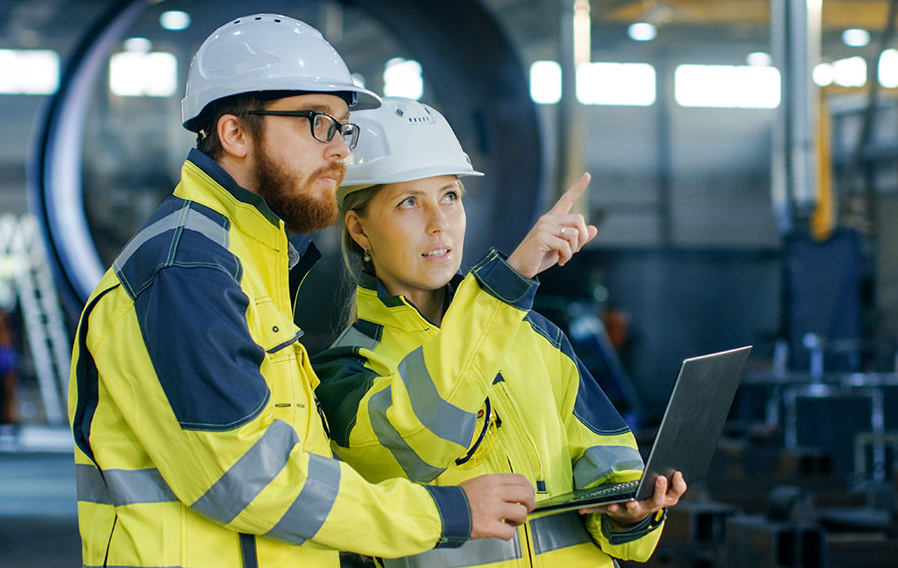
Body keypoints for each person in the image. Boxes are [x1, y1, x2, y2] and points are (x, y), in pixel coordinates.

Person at [67, 15, 535, 568]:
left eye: (343, 127)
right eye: (317, 122)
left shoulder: (248, 259)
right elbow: (244, 479)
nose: (340, 150)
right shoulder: (186, 269)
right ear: (234, 133)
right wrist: (445, 513)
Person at [310, 97, 686, 567]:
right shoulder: (343, 373)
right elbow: (418, 440)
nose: (438, 224)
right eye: (409, 203)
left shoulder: (536, 337)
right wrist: (511, 278)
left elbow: (608, 462)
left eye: (450, 197)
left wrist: (632, 512)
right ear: (359, 230)